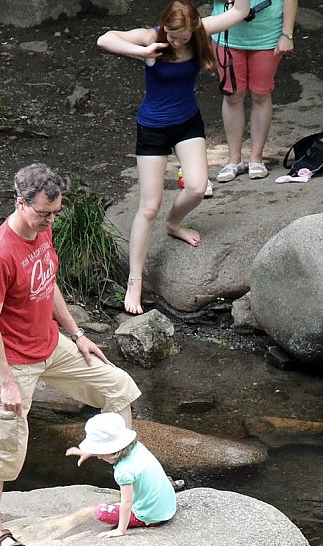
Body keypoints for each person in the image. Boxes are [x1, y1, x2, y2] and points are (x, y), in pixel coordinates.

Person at [0, 163, 141, 546]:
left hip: (50, 346)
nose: (50, 221)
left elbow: (47, 285)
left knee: (117, 387)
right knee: (4, 449)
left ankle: (131, 484)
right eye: (43, 213)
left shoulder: (42, 229)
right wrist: (7, 382)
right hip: (11, 359)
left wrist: (78, 334)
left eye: (55, 213)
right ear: (21, 202)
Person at [97, 0, 251, 315]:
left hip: (187, 123)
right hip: (152, 127)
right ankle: (135, 280)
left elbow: (238, 12)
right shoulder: (151, 36)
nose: (176, 41)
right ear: (164, 24)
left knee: (196, 187)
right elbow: (105, 38)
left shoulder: (200, 31)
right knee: (149, 206)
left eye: (182, 35)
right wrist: (140, 52)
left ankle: (175, 223)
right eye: (172, 33)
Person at [212, 0, 298, 182]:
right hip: (227, 34)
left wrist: (287, 34)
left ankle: (256, 159)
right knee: (232, 96)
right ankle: (234, 159)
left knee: (261, 94)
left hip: (267, 36)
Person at [66, 413, 176, 539]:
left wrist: (120, 530)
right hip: (167, 505)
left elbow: (127, 502)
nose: (99, 457)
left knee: (100, 511)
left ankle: (141, 520)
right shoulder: (136, 447)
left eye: (100, 454)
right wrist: (89, 452)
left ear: (111, 452)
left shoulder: (124, 471)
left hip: (151, 516)